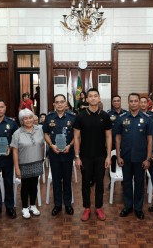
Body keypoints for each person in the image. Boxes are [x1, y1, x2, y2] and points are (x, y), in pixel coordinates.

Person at [73, 88, 112, 221]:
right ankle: (87, 208)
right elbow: (76, 137)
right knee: (85, 183)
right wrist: (77, 157)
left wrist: (108, 156)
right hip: (85, 156)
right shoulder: (80, 116)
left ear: (99, 98)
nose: (93, 98)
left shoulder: (105, 116)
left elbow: (108, 137)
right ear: (87, 99)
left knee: (100, 183)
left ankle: (99, 207)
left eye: (96, 96)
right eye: (91, 96)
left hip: (101, 156)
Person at [116, 93, 153, 220]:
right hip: (125, 157)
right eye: (131, 101)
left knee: (139, 184)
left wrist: (148, 158)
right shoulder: (121, 118)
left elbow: (150, 140)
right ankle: (127, 206)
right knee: (126, 183)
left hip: (140, 158)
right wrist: (118, 156)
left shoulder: (147, 118)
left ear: (139, 102)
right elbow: (118, 138)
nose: (133, 103)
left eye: (135, 101)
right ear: (128, 102)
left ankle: (138, 208)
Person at [43, 94, 75, 216]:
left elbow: (77, 136)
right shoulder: (49, 117)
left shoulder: (72, 118)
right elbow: (45, 133)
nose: (60, 104)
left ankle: (67, 204)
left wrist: (70, 146)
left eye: (62, 102)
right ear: (54, 104)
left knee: (67, 179)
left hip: (67, 153)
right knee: (56, 180)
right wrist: (51, 145)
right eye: (57, 102)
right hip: (54, 153)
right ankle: (57, 205)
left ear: (66, 103)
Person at [10, 108, 44, 219]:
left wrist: (42, 159)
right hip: (24, 164)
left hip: (37, 162)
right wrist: (16, 168)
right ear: (21, 121)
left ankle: (33, 205)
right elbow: (14, 151)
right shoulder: (17, 133)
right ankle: (24, 207)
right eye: (26, 118)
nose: (29, 120)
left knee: (34, 185)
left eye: (30, 117)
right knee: (25, 186)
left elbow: (42, 145)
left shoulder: (39, 130)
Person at [107, 95, 127, 173]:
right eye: (114, 101)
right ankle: (112, 181)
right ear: (112, 103)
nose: (116, 102)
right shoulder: (108, 114)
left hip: (124, 142)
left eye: (118, 100)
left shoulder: (126, 114)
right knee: (112, 163)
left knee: (125, 162)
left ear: (120, 101)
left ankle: (124, 181)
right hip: (112, 143)